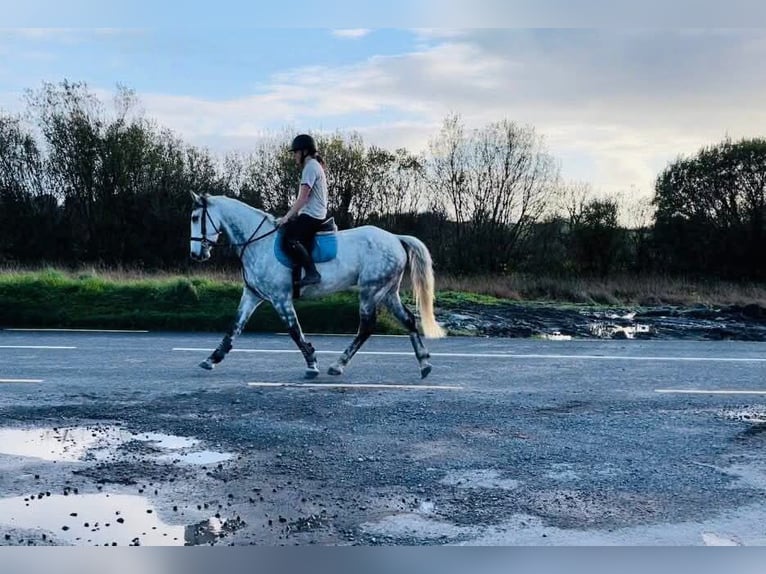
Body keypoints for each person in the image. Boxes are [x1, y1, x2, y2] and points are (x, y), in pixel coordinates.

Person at [275, 133, 328, 287]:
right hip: (311, 213)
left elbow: (303, 198)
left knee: (292, 239)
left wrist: (287, 217)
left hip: (313, 215)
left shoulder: (310, 167)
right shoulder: (312, 166)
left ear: (304, 151)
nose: (294, 156)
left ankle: (312, 273)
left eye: (296, 152)